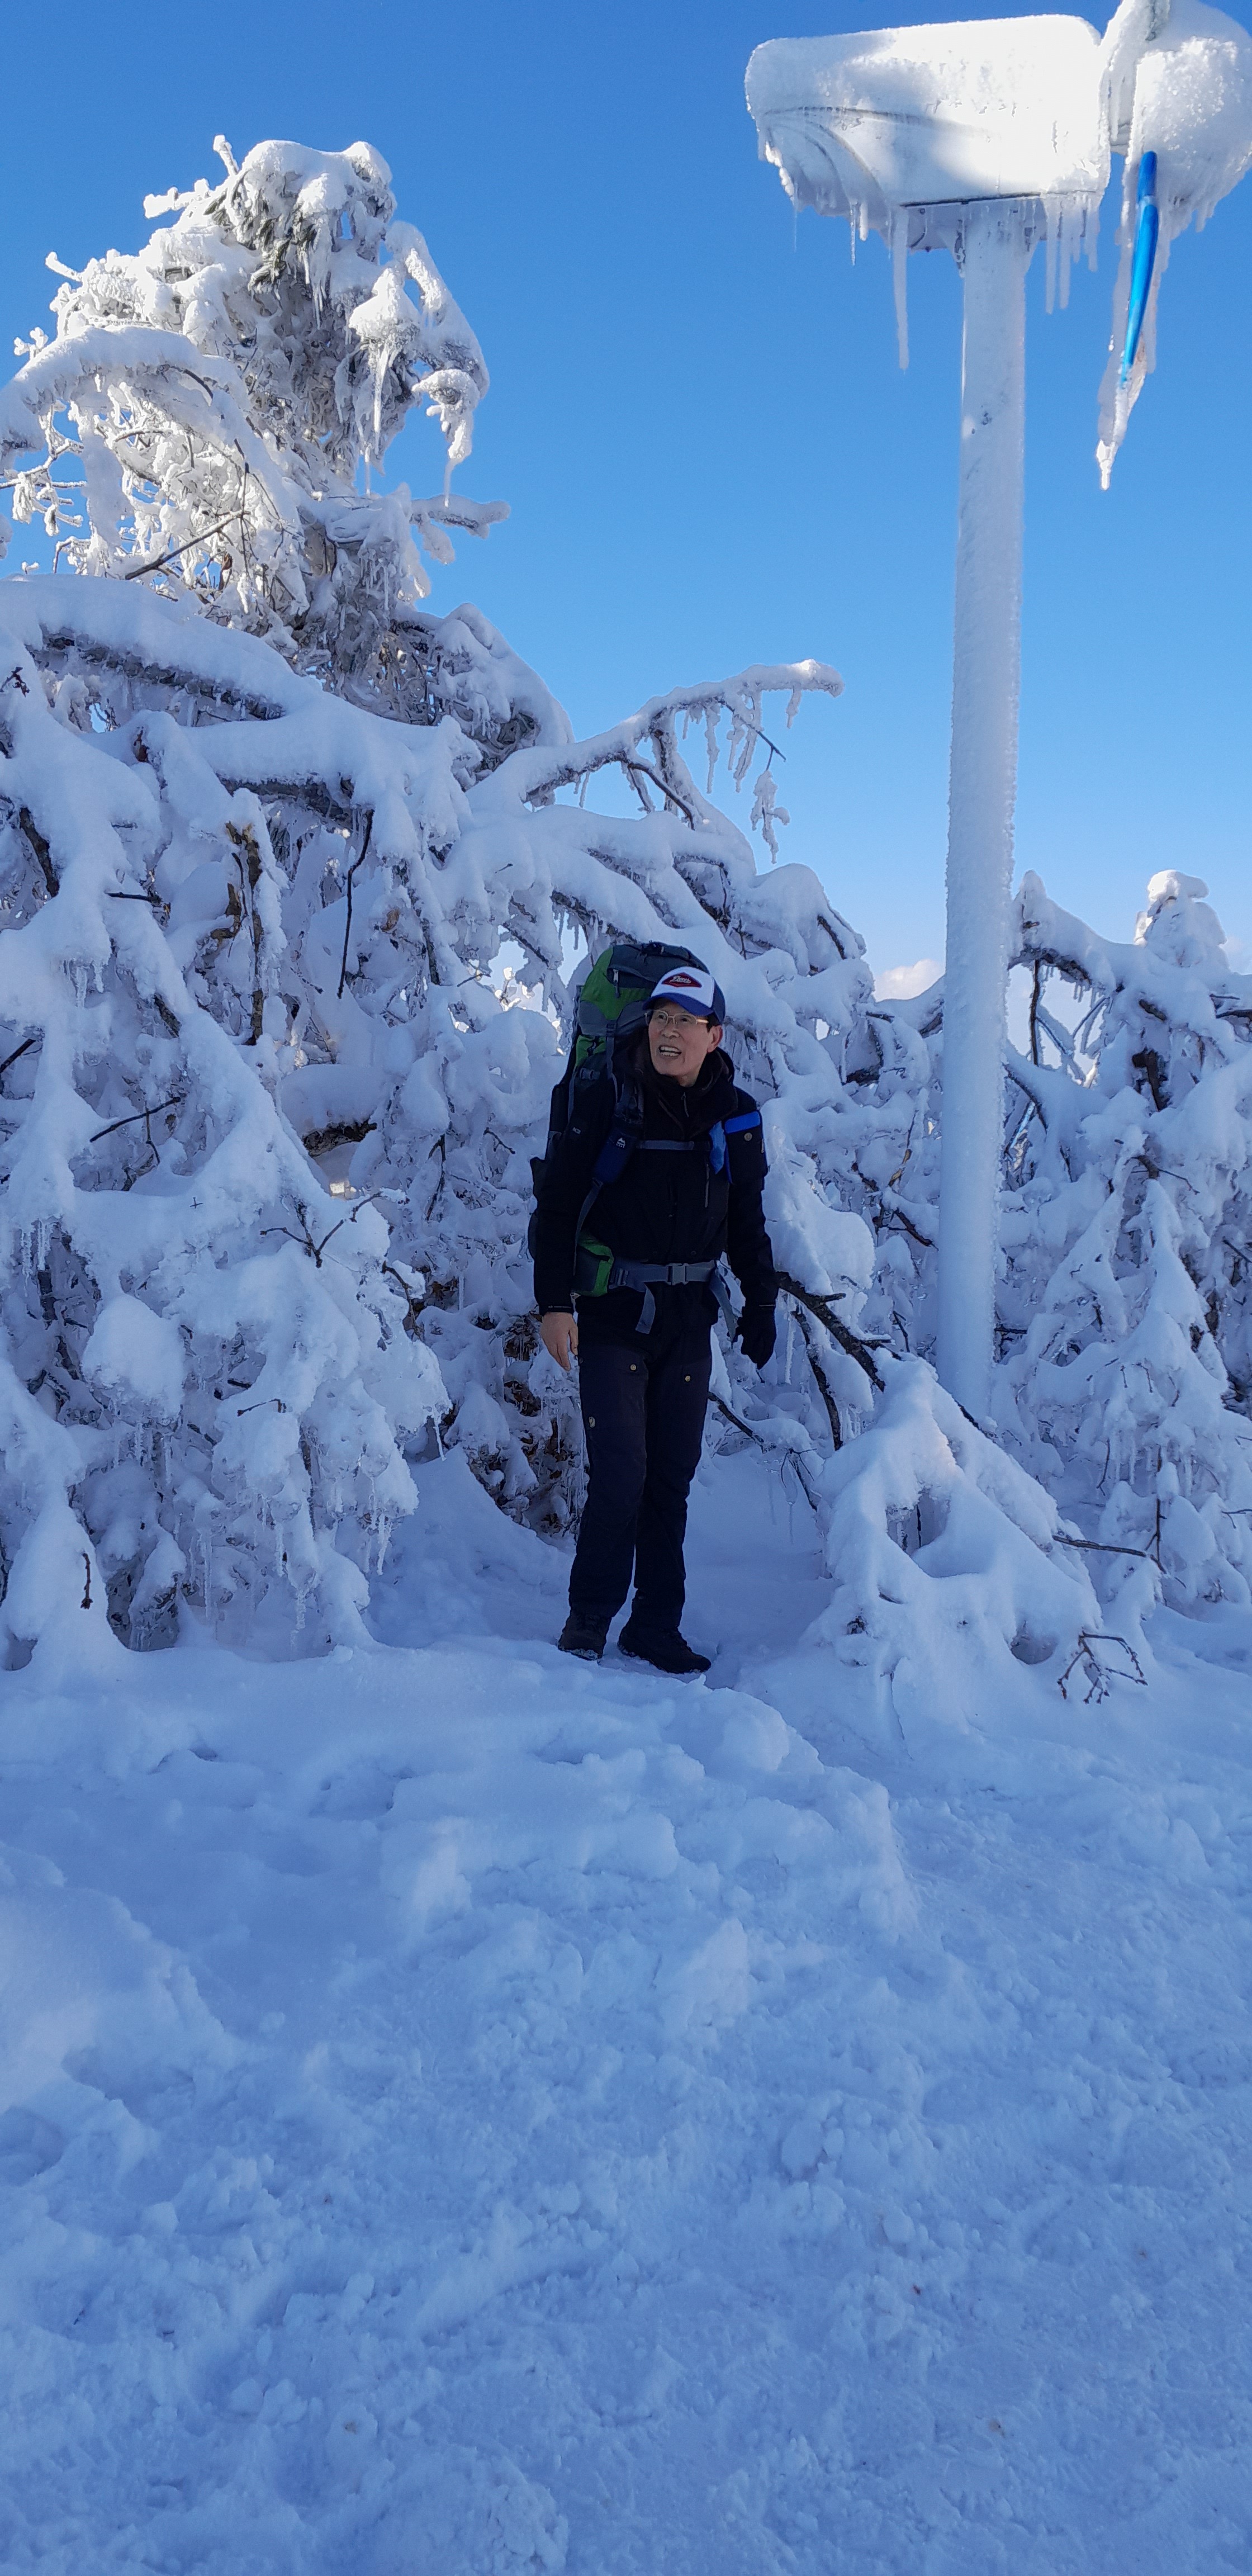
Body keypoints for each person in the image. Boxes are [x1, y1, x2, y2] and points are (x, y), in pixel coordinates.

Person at [532, 962, 777, 1673]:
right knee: (620, 1475)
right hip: (612, 1314)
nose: (669, 1032)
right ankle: (587, 1621)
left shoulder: (734, 1115)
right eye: (661, 1018)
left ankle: (654, 1626)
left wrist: (761, 1301)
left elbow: (747, 1219)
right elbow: (557, 1206)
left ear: (713, 1035)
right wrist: (554, 1304)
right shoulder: (610, 1098)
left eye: (685, 1022)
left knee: (670, 1480)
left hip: (688, 1321)